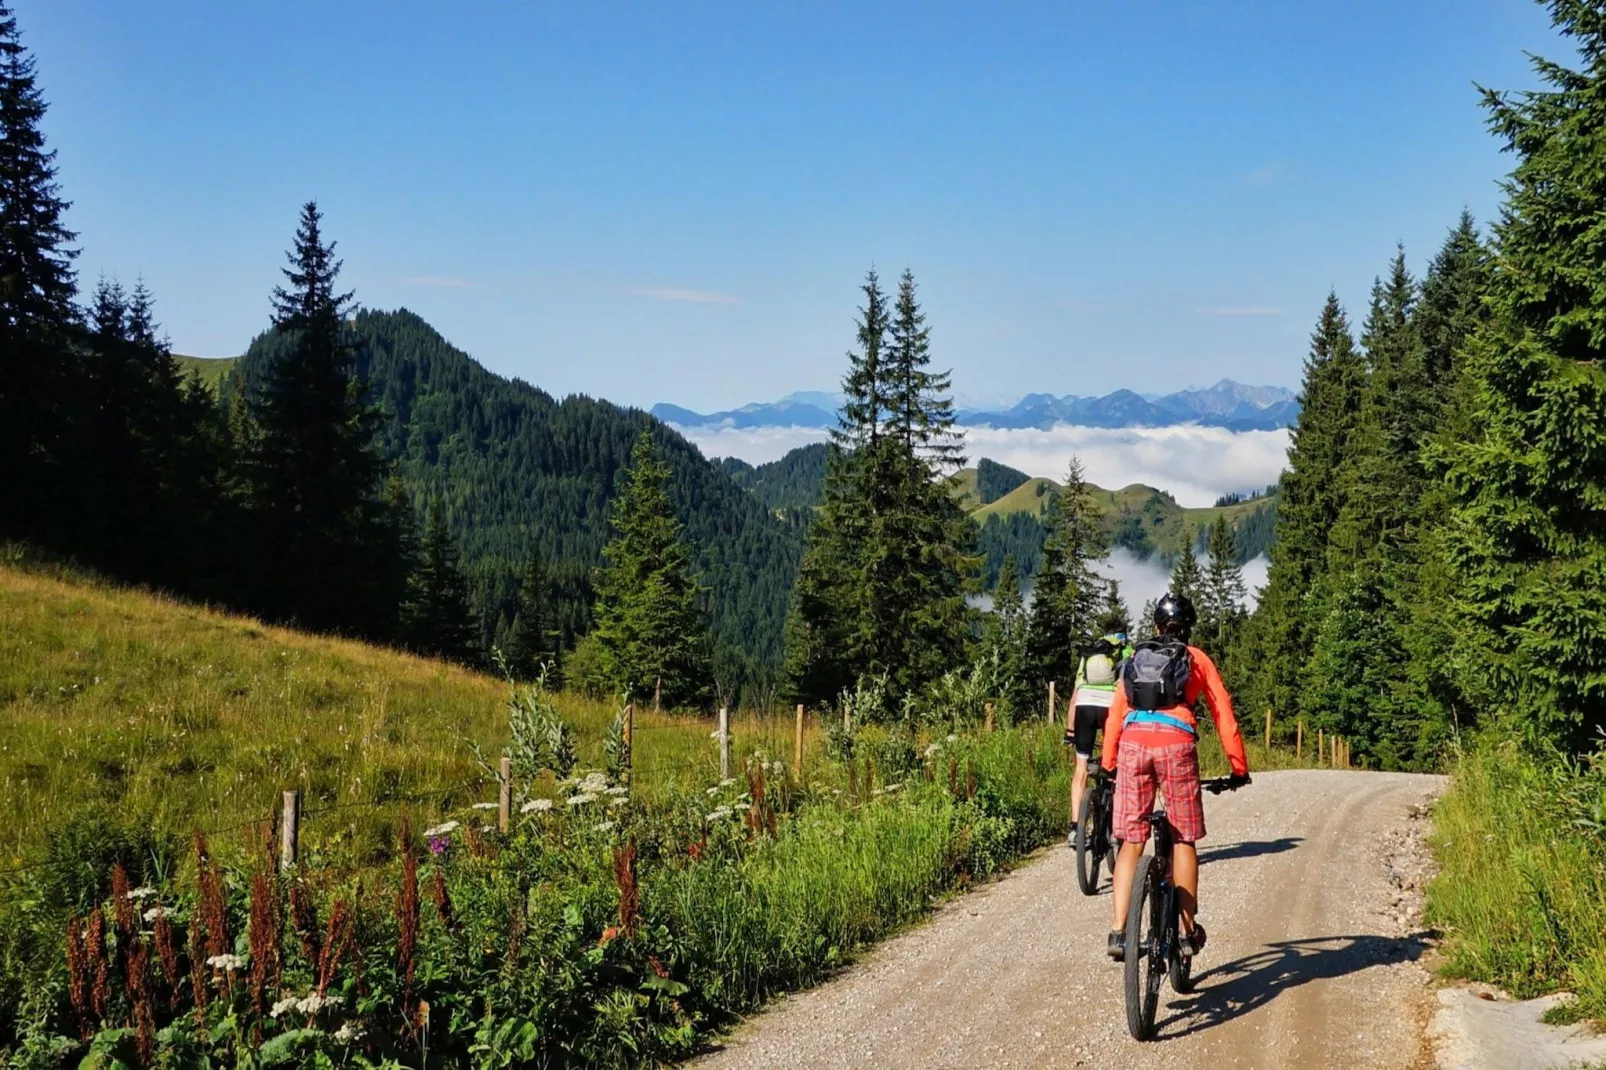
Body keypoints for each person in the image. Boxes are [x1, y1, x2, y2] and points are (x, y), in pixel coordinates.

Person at [1102, 591, 1249, 962]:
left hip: (1133, 745)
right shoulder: (1196, 660)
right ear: (1188, 629)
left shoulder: (1136, 658)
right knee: (1182, 838)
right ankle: (1186, 933)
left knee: (1131, 842)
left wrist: (1108, 765)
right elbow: (1223, 712)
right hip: (1176, 745)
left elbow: (1116, 714)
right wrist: (1238, 768)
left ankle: (1119, 933)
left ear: (1155, 626)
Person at [1065, 629, 1133, 838]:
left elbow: (1075, 696)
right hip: (1110, 706)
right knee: (1113, 762)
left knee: (1081, 769)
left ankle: (1076, 828)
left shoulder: (1090, 654)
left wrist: (1070, 731)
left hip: (1084, 705)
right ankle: (1116, 823)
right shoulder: (1126, 651)